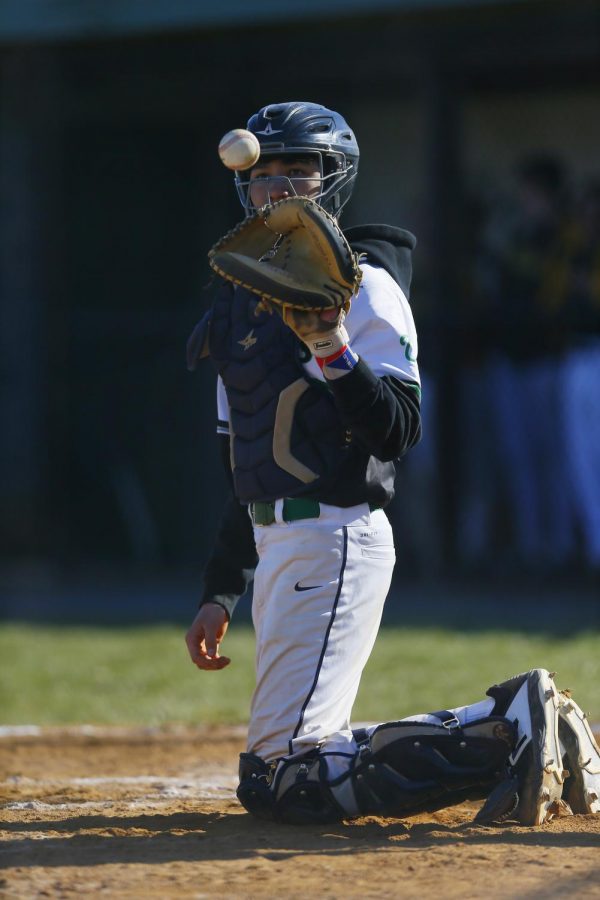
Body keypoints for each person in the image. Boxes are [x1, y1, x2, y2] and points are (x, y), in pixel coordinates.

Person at [185, 102, 599, 825]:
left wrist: (332, 348)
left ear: (333, 180)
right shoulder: (237, 306)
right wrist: (223, 590)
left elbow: (399, 431)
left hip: (336, 535)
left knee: (287, 781)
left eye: (298, 171)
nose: (278, 188)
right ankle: (514, 724)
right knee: (282, 771)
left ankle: (508, 731)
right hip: (277, 539)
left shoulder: (364, 287)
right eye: (263, 175)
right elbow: (242, 463)